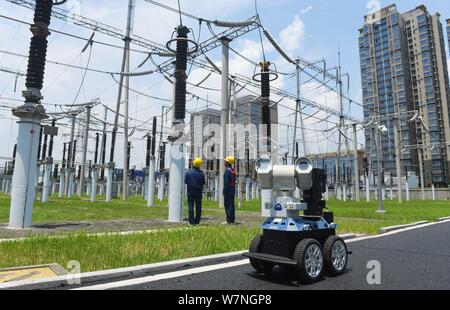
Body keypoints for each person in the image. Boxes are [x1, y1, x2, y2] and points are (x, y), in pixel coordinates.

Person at [184, 158, 206, 225]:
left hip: (190, 191)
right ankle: (197, 221)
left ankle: (191, 222)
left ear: (193, 164)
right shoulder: (202, 173)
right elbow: (203, 182)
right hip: (199, 192)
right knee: (198, 206)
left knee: (191, 206)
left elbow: (185, 181)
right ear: (199, 165)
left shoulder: (189, 172)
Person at [223, 156, 237, 224]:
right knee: (231, 205)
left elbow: (226, 182)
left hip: (228, 190)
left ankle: (229, 220)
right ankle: (232, 219)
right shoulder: (233, 171)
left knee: (227, 205)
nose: (224, 163)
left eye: (225, 161)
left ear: (228, 163)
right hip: (232, 189)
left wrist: (224, 191)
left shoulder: (227, 171)